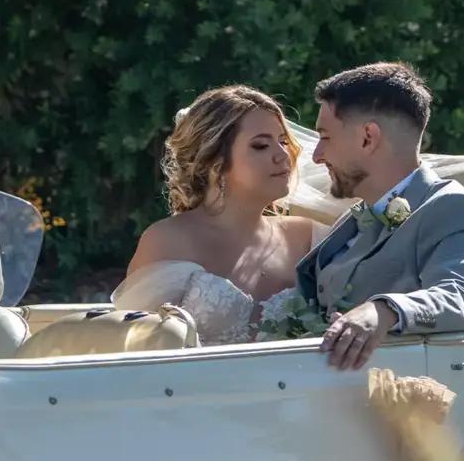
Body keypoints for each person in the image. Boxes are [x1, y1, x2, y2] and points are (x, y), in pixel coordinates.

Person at [297, 62, 464, 370]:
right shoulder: (358, 215)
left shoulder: (452, 208)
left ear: (368, 138)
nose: (317, 155)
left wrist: (383, 310)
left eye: (325, 136)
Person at [112, 85, 321, 343]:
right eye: (261, 146)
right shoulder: (167, 241)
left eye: (283, 141)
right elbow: (133, 349)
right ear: (214, 162)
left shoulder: (306, 238)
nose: (282, 155)